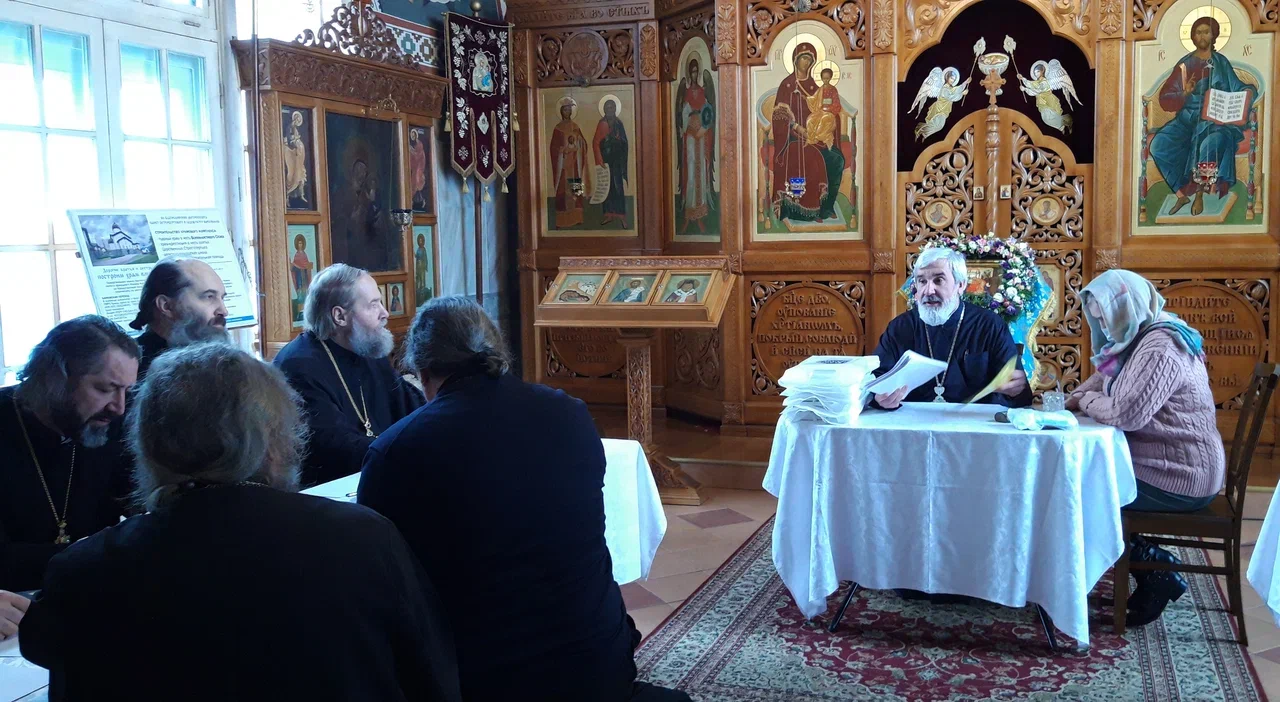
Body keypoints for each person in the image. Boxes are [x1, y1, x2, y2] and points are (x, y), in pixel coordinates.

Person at [18, 344, 461, 701]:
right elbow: (433, 680)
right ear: (276, 440)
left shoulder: (84, 571)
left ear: (150, 445)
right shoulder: (364, 539)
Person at [359, 297, 691, 702]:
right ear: (497, 351)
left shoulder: (398, 450)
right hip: (599, 661)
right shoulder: (569, 413)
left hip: (485, 681)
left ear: (423, 371)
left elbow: (382, 584)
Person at [1067, 269, 1223, 627]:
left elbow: (1126, 414)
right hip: (1158, 463)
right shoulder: (1138, 335)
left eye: (1106, 317)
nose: (1103, 327)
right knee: (1078, 482)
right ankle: (1144, 563)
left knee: (1074, 492)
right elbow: (1101, 380)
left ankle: (1154, 568)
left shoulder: (1161, 346)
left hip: (1182, 476)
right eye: (1097, 319)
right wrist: (1074, 398)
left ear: (1126, 308)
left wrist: (1085, 402)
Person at [0, 316, 139, 593]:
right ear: (55, 378)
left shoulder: (113, 423)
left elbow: (138, 503)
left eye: (126, 390)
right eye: (105, 389)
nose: (119, 407)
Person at [274, 264, 423, 486]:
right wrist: (409, 452)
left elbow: (413, 408)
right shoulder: (298, 366)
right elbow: (335, 447)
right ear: (340, 316)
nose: (385, 313)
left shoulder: (368, 350)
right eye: (373, 305)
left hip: (380, 470)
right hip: (330, 488)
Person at [871, 247, 1032, 410]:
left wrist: (1015, 391)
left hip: (972, 421)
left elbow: (1019, 394)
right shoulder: (900, 327)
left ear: (960, 285)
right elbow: (875, 379)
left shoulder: (989, 325)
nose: (928, 290)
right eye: (922, 281)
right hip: (910, 420)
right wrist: (878, 397)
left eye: (938, 280)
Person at [1149, 16, 1250, 217]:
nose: (1202, 36)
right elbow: (1165, 98)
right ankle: (1181, 194)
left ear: (1214, 35)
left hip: (1215, 122)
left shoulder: (1221, 63)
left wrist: (1247, 93)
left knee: (1210, 144)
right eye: (1198, 32)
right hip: (1187, 120)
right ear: (1193, 37)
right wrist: (1184, 93)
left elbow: (1237, 87)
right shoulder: (1184, 65)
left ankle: (1199, 195)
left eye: (1206, 32)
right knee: (1158, 145)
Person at [129, 257, 231, 378]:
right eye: (209, 297)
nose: (224, 311)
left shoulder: (218, 359)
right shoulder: (130, 368)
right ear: (166, 306)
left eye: (222, 298)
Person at [550, 98, 590, 228]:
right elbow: (553, 148)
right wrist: (562, 151)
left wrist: (579, 143)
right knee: (562, 191)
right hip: (563, 167)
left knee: (576, 189)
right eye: (565, 110)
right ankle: (561, 221)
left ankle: (577, 218)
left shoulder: (575, 127)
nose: (568, 112)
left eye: (569, 109)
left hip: (574, 165)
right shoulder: (558, 129)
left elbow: (584, 144)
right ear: (561, 111)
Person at [593, 98, 630, 227]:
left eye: (612, 107)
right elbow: (596, 142)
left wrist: (619, 141)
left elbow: (625, 142)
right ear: (604, 109)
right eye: (608, 107)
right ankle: (608, 214)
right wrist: (600, 160)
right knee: (607, 188)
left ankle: (621, 216)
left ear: (615, 109)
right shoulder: (602, 124)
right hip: (606, 161)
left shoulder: (619, 123)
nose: (610, 110)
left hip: (617, 162)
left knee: (618, 187)